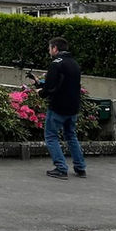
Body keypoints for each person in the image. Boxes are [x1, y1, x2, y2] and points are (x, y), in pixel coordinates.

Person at [35, 36, 86, 180]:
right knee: (71, 135)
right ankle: (80, 167)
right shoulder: (74, 63)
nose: (49, 51)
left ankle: (61, 168)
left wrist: (41, 92)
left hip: (58, 107)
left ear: (55, 48)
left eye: (50, 48)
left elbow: (50, 86)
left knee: (51, 136)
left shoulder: (56, 64)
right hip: (73, 106)